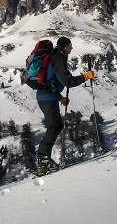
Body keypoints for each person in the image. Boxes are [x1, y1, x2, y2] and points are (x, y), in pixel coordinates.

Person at [35, 36, 94, 176]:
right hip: (47, 98)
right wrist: (85, 77)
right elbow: (68, 81)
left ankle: (43, 164)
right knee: (54, 126)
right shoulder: (59, 58)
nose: (72, 48)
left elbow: (52, 80)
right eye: (70, 45)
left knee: (56, 125)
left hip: (47, 97)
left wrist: (60, 97)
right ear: (64, 47)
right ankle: (42, 159)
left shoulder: (56, 56)